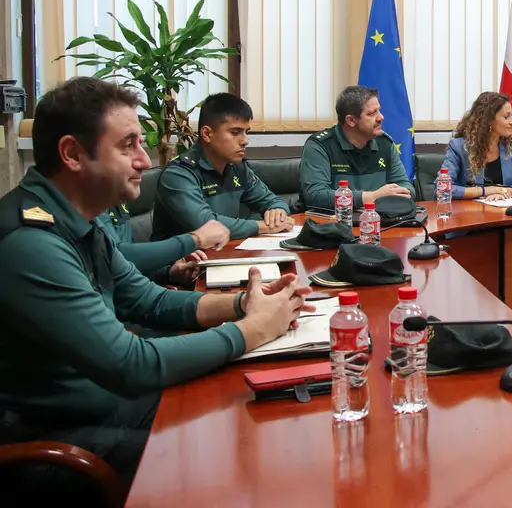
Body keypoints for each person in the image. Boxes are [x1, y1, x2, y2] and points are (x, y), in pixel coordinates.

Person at [0, 78, 311, 496]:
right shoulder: (31, 242)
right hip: (56, 438)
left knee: (256, 409)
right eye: (128, 145)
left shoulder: (78, 220)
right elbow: (131, 364)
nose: (145, 161)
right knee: (223, 459)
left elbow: (149, 300)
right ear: (73, 154)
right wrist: (253, 330)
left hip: (107, 403)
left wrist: (244, 304)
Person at [152, 93, 293, 240]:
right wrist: (263, 226)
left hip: (226, 253)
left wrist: (278, 211)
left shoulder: (237, 168)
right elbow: (205, 225)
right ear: (207, 134)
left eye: (246, 132)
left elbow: (272, 200)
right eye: (235, 132)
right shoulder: (179, 174)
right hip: (183, 261)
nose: (245, 141)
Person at [300, 86, 414, 211]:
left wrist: (402, 193)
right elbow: (315, 196)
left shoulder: (384, 143)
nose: (381, 117)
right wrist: (372, 197)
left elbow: (405, 185)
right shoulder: (320, 146)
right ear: (351, 120)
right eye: (371, 113)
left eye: (379, 111)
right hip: (335, 224)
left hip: (380, 220)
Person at [95, 205, 229, 285]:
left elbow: (128, 269)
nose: (145, 163)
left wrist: (169, 273)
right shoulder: (92, 209)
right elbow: (116, 256)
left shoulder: (116, 198)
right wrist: (195, 239)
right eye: (124, 155)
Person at [441, 92, 512, 199]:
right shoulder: (458, 147)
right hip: (469, 213)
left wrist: (506, 192)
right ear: (489, 121)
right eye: (506, 117)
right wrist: (485, 191)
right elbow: (442, 189)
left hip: (505, 212)